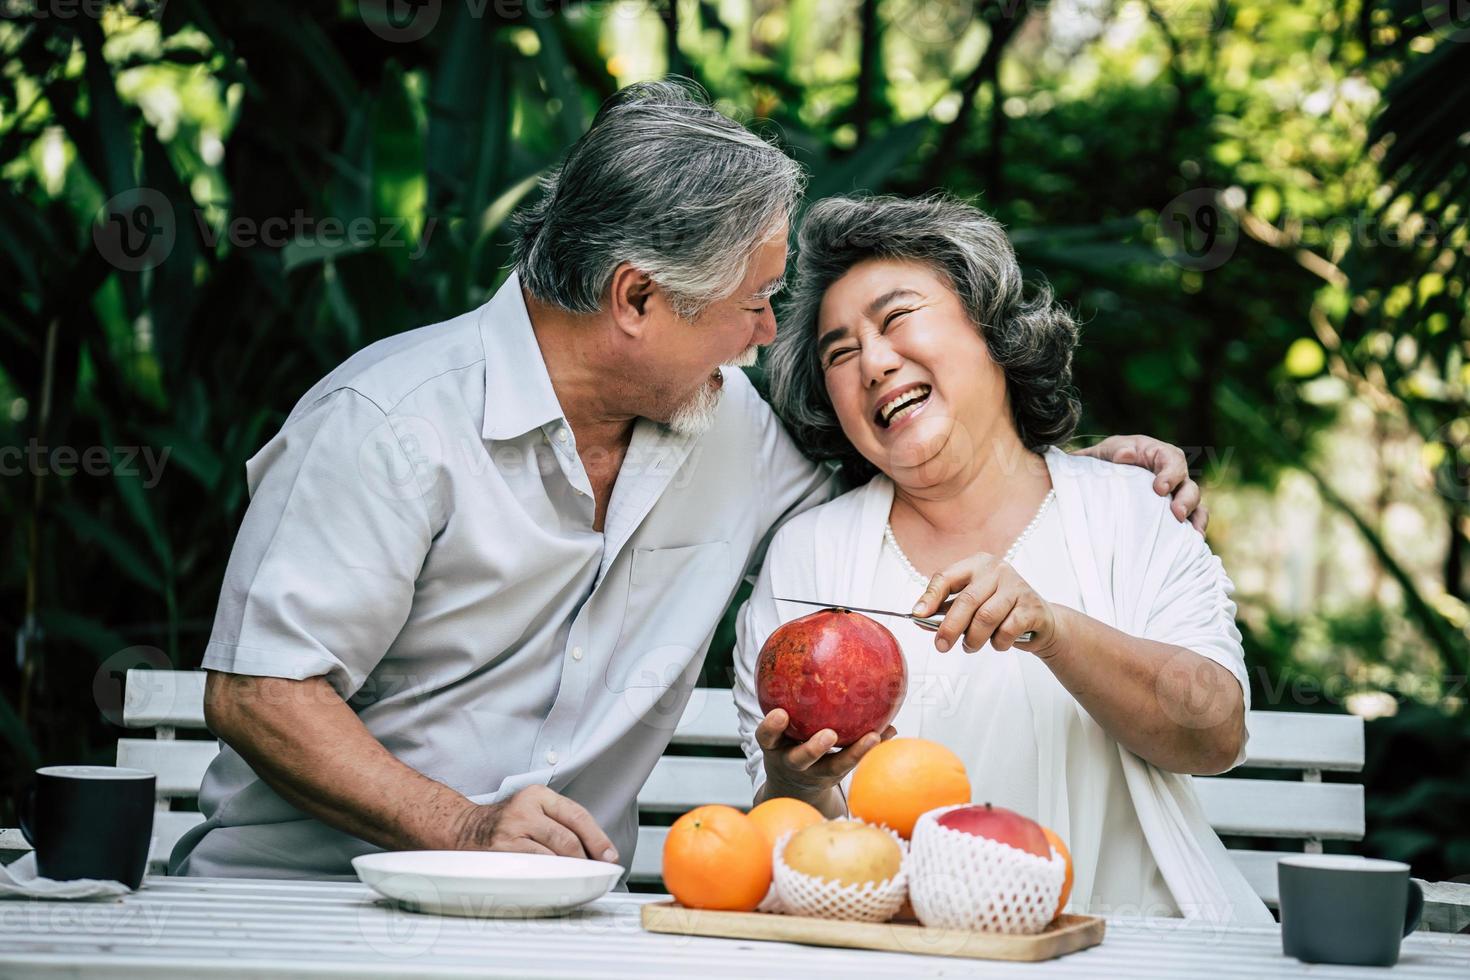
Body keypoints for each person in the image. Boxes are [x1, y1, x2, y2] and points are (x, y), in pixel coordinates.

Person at [171, 81, 1202, 880]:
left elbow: (914, 467)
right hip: (313, 897)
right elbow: (260, 691)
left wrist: (1085, 469)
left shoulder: (727, 426)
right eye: (753, 302)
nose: (767, 335)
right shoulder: (389, 425)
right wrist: (464, 825)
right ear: (637, 298)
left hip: (558, 916)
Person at [733, 193, 1271, 922]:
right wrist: (794, 782)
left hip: (1134, 950)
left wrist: (1051, 628)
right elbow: (794, 838)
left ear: (990, 328)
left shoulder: (1134, 510)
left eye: (896, 320)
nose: (875, 362)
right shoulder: (808, 559)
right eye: (841, 352)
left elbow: (1216, 734)